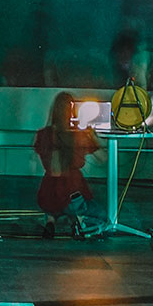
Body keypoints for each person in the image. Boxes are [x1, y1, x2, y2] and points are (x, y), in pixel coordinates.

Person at [33, 91, 103, 239]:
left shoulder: (43, 134)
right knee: (98, 213)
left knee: (54, 205)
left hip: (48, 192)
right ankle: (77, 221)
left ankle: (51, 220)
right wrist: (92, 136)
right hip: (73, 189)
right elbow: (103, 158)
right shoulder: (79, 135)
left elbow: (47, 166)